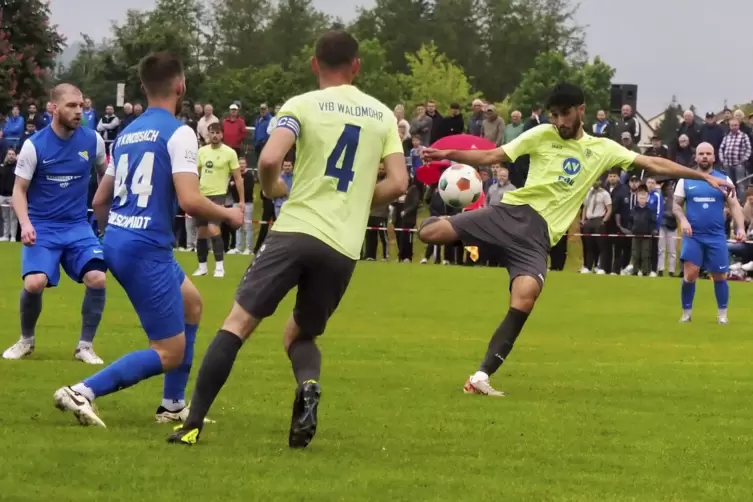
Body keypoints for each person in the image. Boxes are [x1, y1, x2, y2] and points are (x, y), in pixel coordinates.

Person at [168, 30, 408, 447]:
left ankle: (192, 424)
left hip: (296, 230)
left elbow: (268, 158)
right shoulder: (384, 115)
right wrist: (357, 199)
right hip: (342, 246)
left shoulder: (300, 105)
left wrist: (273, 186)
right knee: (299, 334)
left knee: (237, 324)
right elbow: (400, 183)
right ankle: (309, 385)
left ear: (315, 64)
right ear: (357, 66)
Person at [419, 83, 734, 396]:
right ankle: (465, 233)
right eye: (554, 115)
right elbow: (493, 156)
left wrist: (704, 175)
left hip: (538, 236)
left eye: (564, 114)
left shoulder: (602, 149)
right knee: (429, 233)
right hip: (511, 213)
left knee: (526, 294)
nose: (558, 122)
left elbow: (653, 163)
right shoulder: (542, 134)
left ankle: (479, 377)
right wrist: (445, 153)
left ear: (581, 110)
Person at [52, 52, 243, 427]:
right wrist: (228, 214)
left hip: (121, 240)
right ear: (181, 85)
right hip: (145, 247)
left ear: (143, 87)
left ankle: (172, 405)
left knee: (192, 304)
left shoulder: (125, 134)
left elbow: (99, 200)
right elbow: (189, 200)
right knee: (169, 352)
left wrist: (120, 234)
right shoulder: (180, 131)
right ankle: (81, 391)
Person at [2, 84, 108, 364]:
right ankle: (26, 340)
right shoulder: (34, 145)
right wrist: (25, 224)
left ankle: (85, 346)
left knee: (97, 278)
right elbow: (19, 190)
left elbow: (105, 178)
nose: (78, 111)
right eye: (71, 106)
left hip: (77, 226)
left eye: (81, 106)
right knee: (34, 283)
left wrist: (106, 216)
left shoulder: (93, 140)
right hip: (43, 226)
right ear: (53, 109)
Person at [673, 142, 745, 325]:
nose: (705, 156)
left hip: (716, 236)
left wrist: (741, 228)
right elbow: (675, 205)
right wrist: (683, 220)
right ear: (696, 157)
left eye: (708, 153)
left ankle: (722, 315)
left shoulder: (724, 179)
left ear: (714, 157)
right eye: (701, 154)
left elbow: (735, 205)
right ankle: (686, 314)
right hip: (693, 235)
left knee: (720, 276)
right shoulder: (685, 180)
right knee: (691, 274)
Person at [192, 122, 244, 278]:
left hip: (219, 195)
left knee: (214, 229)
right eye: (212, 133)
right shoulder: (201, 151)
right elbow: (196, 174)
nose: (214, 135)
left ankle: (220, 267)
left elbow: (238, 178)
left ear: (222, 134)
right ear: (208, 134)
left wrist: (241, 200)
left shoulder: (230, 153)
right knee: (201, 232)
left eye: (217, 133)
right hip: (202, 195)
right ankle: (202, 267)